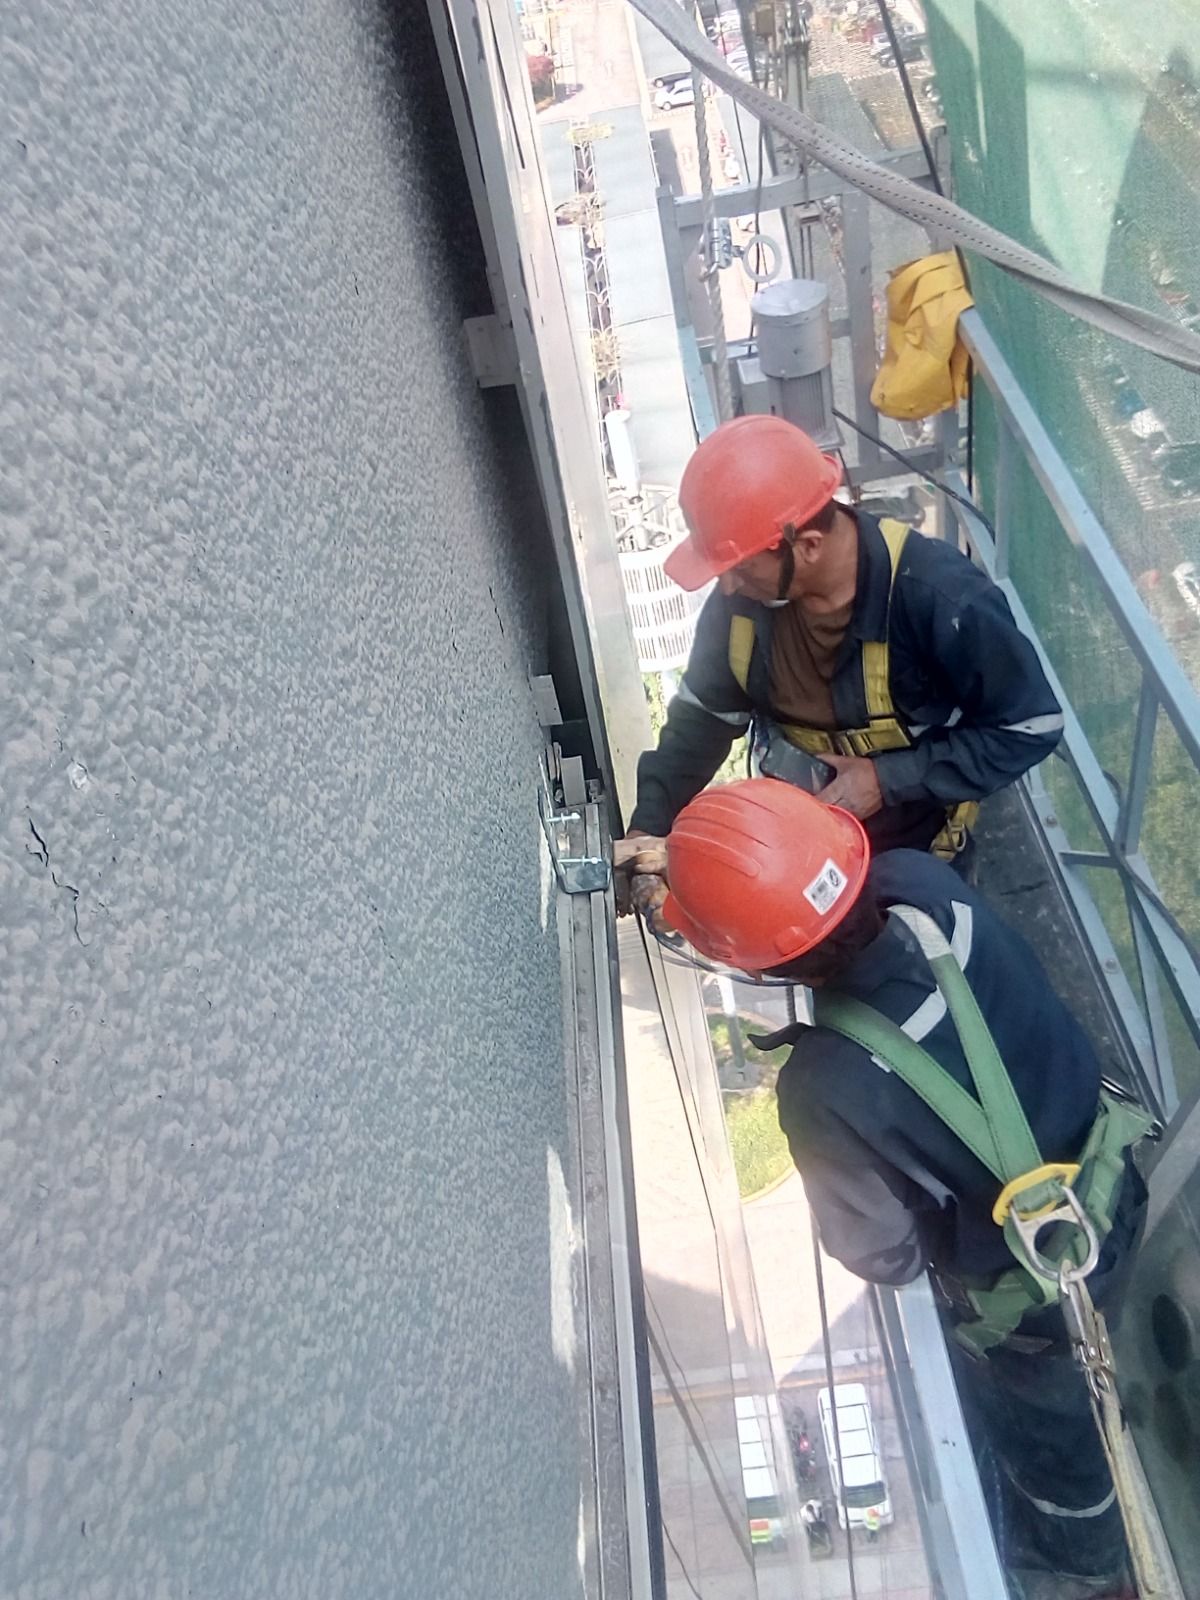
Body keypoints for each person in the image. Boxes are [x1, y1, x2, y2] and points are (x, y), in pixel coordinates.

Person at [622, 779, 1151, 1595]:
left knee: (1064, 1464)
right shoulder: (925, 886)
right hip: (1116, 1177)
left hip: (1037, 1310)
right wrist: (698, 878)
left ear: (742, 957)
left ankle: (1085, 1568)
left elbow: (888, 1256)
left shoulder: (828, 1085)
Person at [626, 415, 1064, 873]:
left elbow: (1032, 725)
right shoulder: (745, 605)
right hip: (802, 856)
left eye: (740, 568)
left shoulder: (936, 599)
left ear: (807, 546)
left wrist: (887, 780)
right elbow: (705, 717)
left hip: (914, 861)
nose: (728, 587)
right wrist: (649, 826)